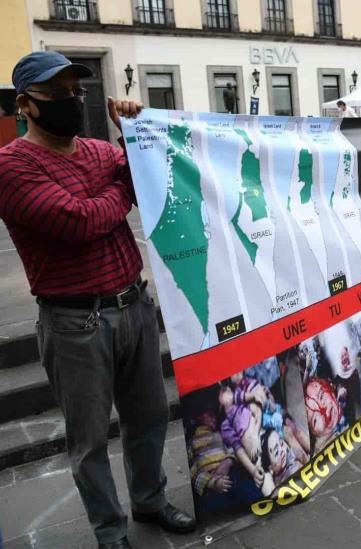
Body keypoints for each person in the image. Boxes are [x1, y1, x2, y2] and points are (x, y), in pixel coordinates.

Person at [0, 51, 195, 549]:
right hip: (74, 323)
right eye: (60, 92)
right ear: (26, 104)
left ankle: (149, 501)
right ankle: (110, 532)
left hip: (134, 306)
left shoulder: (98, 150)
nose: (74, 99)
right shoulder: (10, 166)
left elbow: (146, 184)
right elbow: (77, 223)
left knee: (149, 417)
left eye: (77, 89)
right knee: (88, 441)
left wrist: (133, 137)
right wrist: (117, 192)